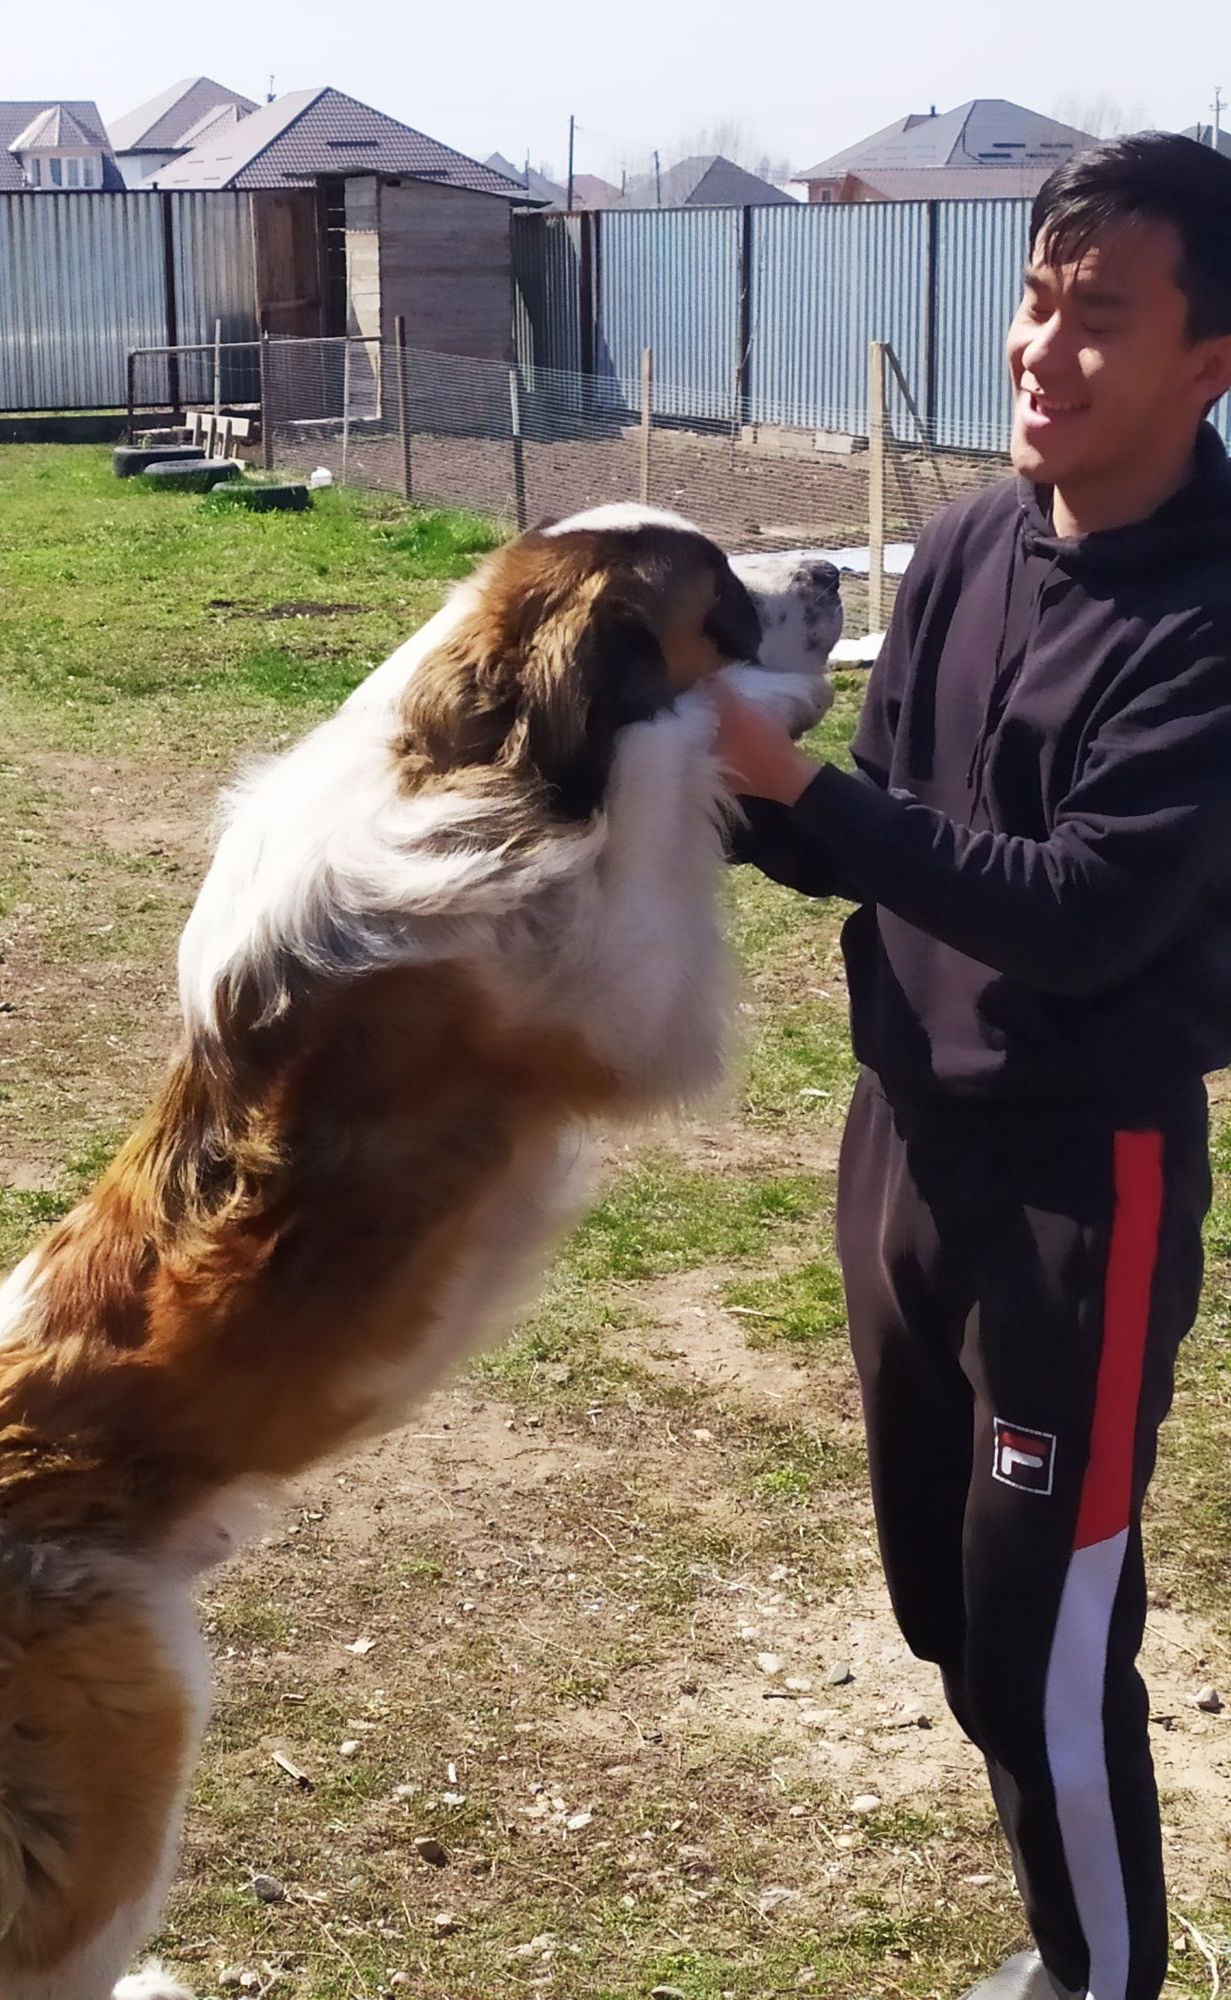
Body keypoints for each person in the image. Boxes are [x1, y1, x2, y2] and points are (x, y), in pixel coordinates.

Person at [715, 132, 1231, 2000]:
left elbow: (1085, 909)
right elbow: (878, 831)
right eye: (1035, 299)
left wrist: (812, 795)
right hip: (904, 1144)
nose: (1043, 348)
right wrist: (676, 788)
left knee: (1043, 1624)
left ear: (1209, 362)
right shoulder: (961, 549)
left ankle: (1102, 1981)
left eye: (1102, 316)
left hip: (1080, 1184)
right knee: (949, 1606)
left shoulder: (1207, 615)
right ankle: (1059, 1941)